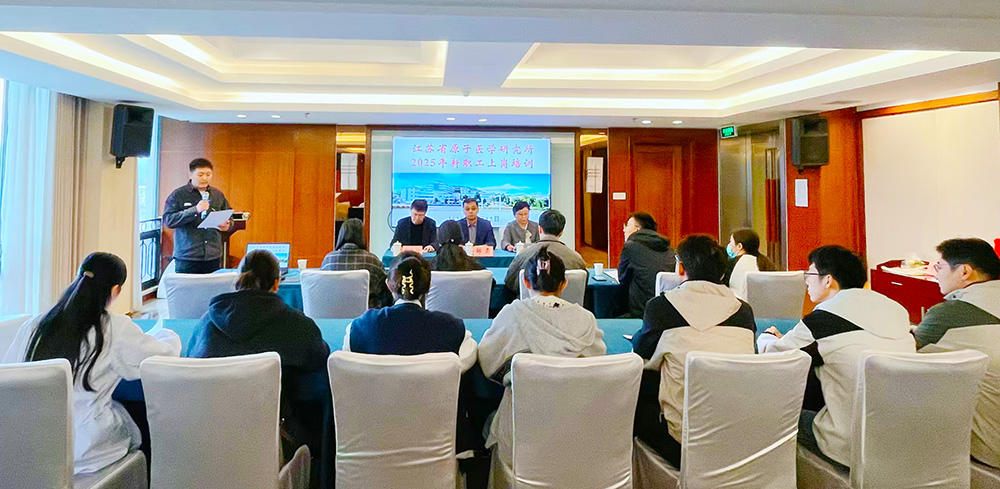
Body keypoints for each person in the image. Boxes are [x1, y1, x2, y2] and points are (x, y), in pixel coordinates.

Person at [2, 252, 181, 474]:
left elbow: (10, 377)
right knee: (144, 419)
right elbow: (159, 358)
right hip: (83, 447)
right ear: (115, 290)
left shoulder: (36, 325)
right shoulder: (113, 328)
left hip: (27, 441)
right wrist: (168, 335)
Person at [757, 245, 914, 470]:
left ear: (828, 280)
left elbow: (772, 356)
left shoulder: (824, 318)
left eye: (810, 274)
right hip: (902, 438)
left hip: (850, 442)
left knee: (771, 415)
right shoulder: (897, 311)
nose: (806, 282)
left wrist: (768, 335)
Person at [188, 249, 330, 460]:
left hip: (207, 444)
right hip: (273, 445)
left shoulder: (205, 324)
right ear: (276, 284)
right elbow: (319, 359)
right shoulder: (297, 325)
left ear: (239, 280)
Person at [629, 234, 756, 467]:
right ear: (722, 274)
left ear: (680, 268)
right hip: (737, 433)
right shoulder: (743, 312)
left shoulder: (661, 307)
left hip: (680, 440)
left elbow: (642, 353)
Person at [479, 247, 606, 470]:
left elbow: (489, 362)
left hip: (521, 429)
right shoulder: (585, 319)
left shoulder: (511, 314)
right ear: (564, 283)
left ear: (525, 282)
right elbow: (595, 365)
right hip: (576, 424)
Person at [912, 238, 1000, 468]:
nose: (935, 275)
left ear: (964, 271)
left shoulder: (949, 314)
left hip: (991, 448)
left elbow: (905, 354)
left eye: (939, 267)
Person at [162, 158, 233, 274]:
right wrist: (195, 210)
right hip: (187, 256)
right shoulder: (178, 195)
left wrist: (227, 225)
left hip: (212, 255)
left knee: (212, 285)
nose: (205, 178)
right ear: (190, 175)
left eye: (208, 174)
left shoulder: (217, 195)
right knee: (187, 285)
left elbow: (229, 216)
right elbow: (169, 220)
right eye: (200, 175)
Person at [504, 209, 586, 294]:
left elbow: (510, 282)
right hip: (567, 302)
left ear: (540, 229)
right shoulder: (576, 258)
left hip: (531, 302)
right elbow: (583, 283)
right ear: (561, 232)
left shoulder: (523, 255)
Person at [321, 218, 392, 308]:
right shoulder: (372, 261)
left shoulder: (328, 260)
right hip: (367, 313)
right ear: (362, 236)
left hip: (332, 310)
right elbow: (386, 289)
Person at [618, 212, 676, 318]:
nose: (624, 230)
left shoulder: (630, 247)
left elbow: (622, 279)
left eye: (627, 225)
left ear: (637, 229)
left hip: (641, 312)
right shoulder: (668, 248)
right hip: (668, 309)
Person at [723, 228, 775, 300]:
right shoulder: (766, 263)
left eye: (731, 241)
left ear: (739, 246)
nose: (729, 245)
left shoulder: (732, 264)